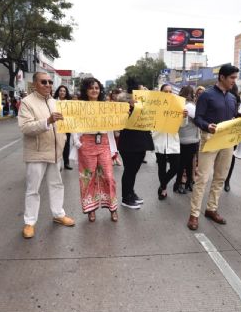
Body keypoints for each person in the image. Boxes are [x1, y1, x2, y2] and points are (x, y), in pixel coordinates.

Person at [18, 71, 75, 239]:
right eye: (44, 82)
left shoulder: (56, 102)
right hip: (37, 153)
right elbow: (25, 128)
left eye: (50, 82)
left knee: (57, 184)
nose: (48, 85)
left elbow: (67, 124)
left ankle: (58, 214)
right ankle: (29, 222)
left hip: (55, 153)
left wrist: (65, 138)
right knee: (33, 189)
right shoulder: (26, 102)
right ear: (35, 83)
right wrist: (47, 121)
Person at [187, 64, 239, 231]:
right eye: (232, 78)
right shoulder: (207, 95)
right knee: (202, 178)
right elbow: (198, 119)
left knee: (220, 177)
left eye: (235, 78)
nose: (234, 81)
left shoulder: (232, 98)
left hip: (227, 140)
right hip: (209, 138)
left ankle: (211, 209)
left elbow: (233, 118)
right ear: (222, 77)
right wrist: (207, 126)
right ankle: (194, 214)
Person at [72, 77, 118, 222]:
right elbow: (72, 123)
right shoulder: (79, 106)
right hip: (86, 143)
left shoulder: (106, 106)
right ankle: (90, 209)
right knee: (87, 177)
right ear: (86, 90)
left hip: (104, 142)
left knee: (109, 176)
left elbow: (114, 124)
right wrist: (76, 140)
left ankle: (113, 208)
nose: (94, 90)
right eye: (91, 88)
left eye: (97, 88)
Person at [117, 80, 154, 209]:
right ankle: (125, 198)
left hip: (141, 141)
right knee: (129, 170)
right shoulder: (124, 105)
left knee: (134, 170)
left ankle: (131, 193)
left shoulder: (144, 105)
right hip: (129, 142)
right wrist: (130, 108)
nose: (144, 90)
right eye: (141, 89)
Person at [152, 84, 182, 200]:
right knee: (161, 167)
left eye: (170, 92)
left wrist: (183, 117)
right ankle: (164, 189)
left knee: (175, 167)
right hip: (160, 141)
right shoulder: (155, 108)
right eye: (165, 91)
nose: (168, 94)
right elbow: (151, 126)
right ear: (161, 93)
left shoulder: (177, 107)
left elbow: (182, 125)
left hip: (173, 142)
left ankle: (162, 184)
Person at [175, 86, 199, 193]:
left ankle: (186, 183)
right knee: (186, 164)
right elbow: (199, 118)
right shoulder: (189, 106)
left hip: (182, 138)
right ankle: (180, 184)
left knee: (185, 163)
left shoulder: (180, 104)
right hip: (190, 138)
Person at [223, 84, 241, 192]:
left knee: (231, 157)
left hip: (233, 131)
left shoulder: (238, 99)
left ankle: (227, 181)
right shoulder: (219, 96)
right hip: (221, 130)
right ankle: (224, 179)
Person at [53, 85, 73, 170]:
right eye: (61, 91)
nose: (62, 92)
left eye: (64, 91)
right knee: (57, 144)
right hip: (56, 126)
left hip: (66, 126)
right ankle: (57, 163)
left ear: (66, 93)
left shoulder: (69, 103)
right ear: (58, 92)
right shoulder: (53, 102)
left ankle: (66, 163)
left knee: (66, 145)